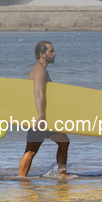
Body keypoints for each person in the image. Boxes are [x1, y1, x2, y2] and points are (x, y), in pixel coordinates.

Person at [18, 41, 70, 178]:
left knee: (64, 141)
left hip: (46, 118)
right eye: (51, 51)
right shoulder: (39, 70)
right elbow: (38, 92)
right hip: (39, 118)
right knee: (31, 151)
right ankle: (21, 179)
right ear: (42, 54)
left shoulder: (41, 69)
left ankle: (62, 174)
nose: (54, 53)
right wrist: (40, 115)